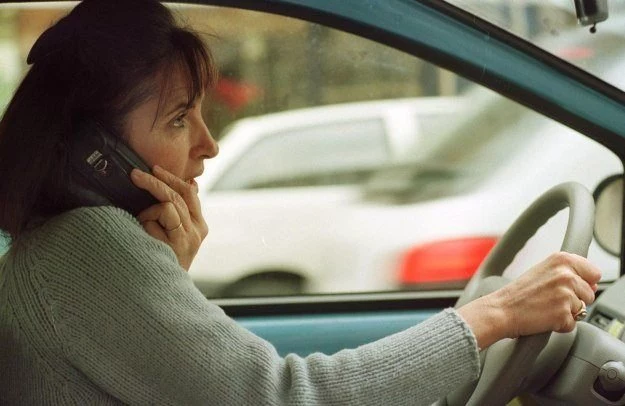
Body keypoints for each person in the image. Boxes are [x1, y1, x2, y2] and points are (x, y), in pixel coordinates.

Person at [0, 0, 601, 404]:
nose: (208, 146)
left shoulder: (63, 248)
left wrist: (168, 275)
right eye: (180, 119)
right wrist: (494, 317)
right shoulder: (86, 244)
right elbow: (286, 395)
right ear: (93, 152)